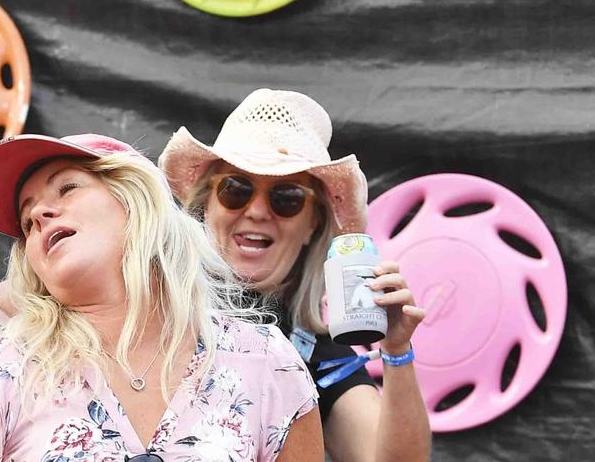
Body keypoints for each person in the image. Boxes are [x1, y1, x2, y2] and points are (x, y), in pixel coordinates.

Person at [0, 133, 323, 462]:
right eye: (27, 220)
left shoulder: (266, 361)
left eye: (67, 188)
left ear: (136, 201)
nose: (40, 214)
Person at [159, 88, 431, 462]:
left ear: (311, 226)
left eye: (286, 197)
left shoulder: (316, 353)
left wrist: (397, 351)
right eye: (235, 189)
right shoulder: (142, 299)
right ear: (206, 206)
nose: (256, 211)